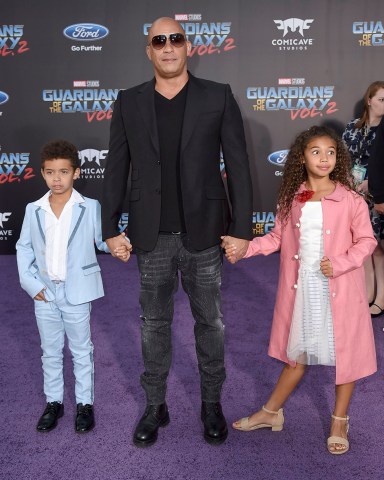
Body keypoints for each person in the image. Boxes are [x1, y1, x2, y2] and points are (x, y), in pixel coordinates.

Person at [101, 17, 253, 447]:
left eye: (176, 39)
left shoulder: (217, 96)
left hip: (204, 234)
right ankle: (155, 406)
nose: (168, 47)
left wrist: (242, 228)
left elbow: (238, 166)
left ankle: (211, 404)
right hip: (151, 236)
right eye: (158, 41)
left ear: (189, 47)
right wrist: (110, 228)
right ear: (148, 51)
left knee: (211, 323)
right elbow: (117, 166)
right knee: (153, 324)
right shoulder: (128, 101)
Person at [222, 126, 377, 455]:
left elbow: (367, 241)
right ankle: (271, 412)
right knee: (298, 354)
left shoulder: (351, 199)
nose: (324, 158)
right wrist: (244, 248)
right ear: (301, 158)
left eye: (331, 152)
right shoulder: (292, 198)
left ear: (339, 158)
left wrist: (340, 262)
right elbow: (276, 239)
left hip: (340, 288)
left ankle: (340, 420)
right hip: (303, 289)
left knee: (345, 355)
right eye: (316, 151)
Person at [16, 140, 130, 433]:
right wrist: (30, 284)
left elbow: (102, 240)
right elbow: (24, 247)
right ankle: (53, 402)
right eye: (51, 172)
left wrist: (118, 246)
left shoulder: (89, 207)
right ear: (42, 173)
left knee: (81, 350)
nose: (57, 179)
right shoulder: (33, 209)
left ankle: (84, 404)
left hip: (77, 291)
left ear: (76, 173)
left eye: (63, 172)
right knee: (50, 351)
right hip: (43, 292)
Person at [342, 81, 384, 318]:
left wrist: (371, 183)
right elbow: (343, 159)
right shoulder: (351, 128)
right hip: (355, 196)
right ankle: (368, 295)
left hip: (377, 193)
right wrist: (349, 182)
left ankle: (381, 298)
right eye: (381, 100)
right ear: (369, 100)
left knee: (378, 248)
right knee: (364, 247)